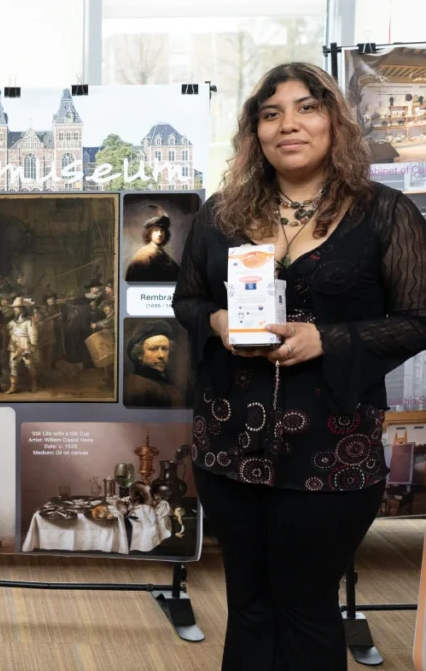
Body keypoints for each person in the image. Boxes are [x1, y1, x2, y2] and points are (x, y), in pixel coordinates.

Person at [172, 62, 426, 670]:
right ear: (254, 131)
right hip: (229, 443)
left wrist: (327, 339)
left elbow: (420, 316)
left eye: (307, 108)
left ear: (335, 122)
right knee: (249, 606)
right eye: (270, 112)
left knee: (307, 608)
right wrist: (217, 322)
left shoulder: (384, 213)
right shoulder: (221, 212)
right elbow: (188, 299)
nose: (289, 124)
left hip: (330, 450)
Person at [123, 321, 183, 408]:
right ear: (139, 354)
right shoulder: (138, 388)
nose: (161, 355)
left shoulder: (164, 381)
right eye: (154, 349)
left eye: (165, 349)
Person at [125, 213, 180, 282]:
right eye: (156, 230)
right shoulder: (144, 255)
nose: (160, 234)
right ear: (149, 233)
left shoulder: (163, 254)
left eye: (162, 230)